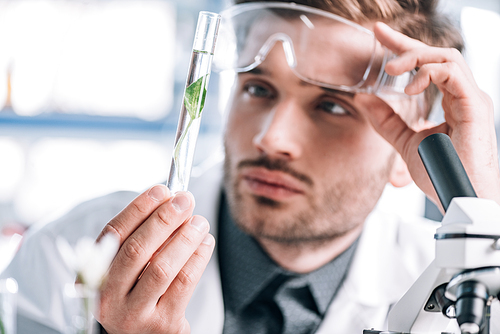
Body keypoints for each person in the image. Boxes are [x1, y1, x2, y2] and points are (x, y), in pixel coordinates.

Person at [2, 0, 500, 333]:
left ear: (406, 153)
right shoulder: (70, 257)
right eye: (259, 89)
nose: (271, 138)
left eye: (332, 106)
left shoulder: (461, 287)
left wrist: (482, 216)